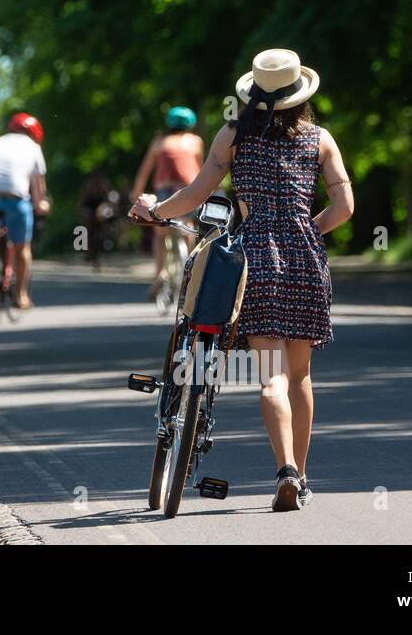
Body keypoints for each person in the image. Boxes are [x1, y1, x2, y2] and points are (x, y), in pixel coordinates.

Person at [130, 50, 353, 511]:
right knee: (300, 375)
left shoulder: (233, 136)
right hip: (306, 260)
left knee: (270, 376)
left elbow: (195, 195)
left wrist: (154, 212)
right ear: (300, 95)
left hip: (253, 259)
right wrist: (307, 229)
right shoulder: (320, 140)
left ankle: (284, 468)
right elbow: (345, 208)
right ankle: (301, 477)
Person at [0, 113, 50, 309]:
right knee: (22, 246)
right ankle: (21, 295)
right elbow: (38, 186)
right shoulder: (33, 147)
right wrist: (41, 204)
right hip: (14, 200)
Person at [131, 106, 205, 297]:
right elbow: (202, 170)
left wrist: (136, 193)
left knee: (160, 233)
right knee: (187, 227)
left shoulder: (160, 142)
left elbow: (144, 172)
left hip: (164, 192)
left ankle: (160, 273)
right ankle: (187, 272)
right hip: (188, 192)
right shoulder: (195, 142)